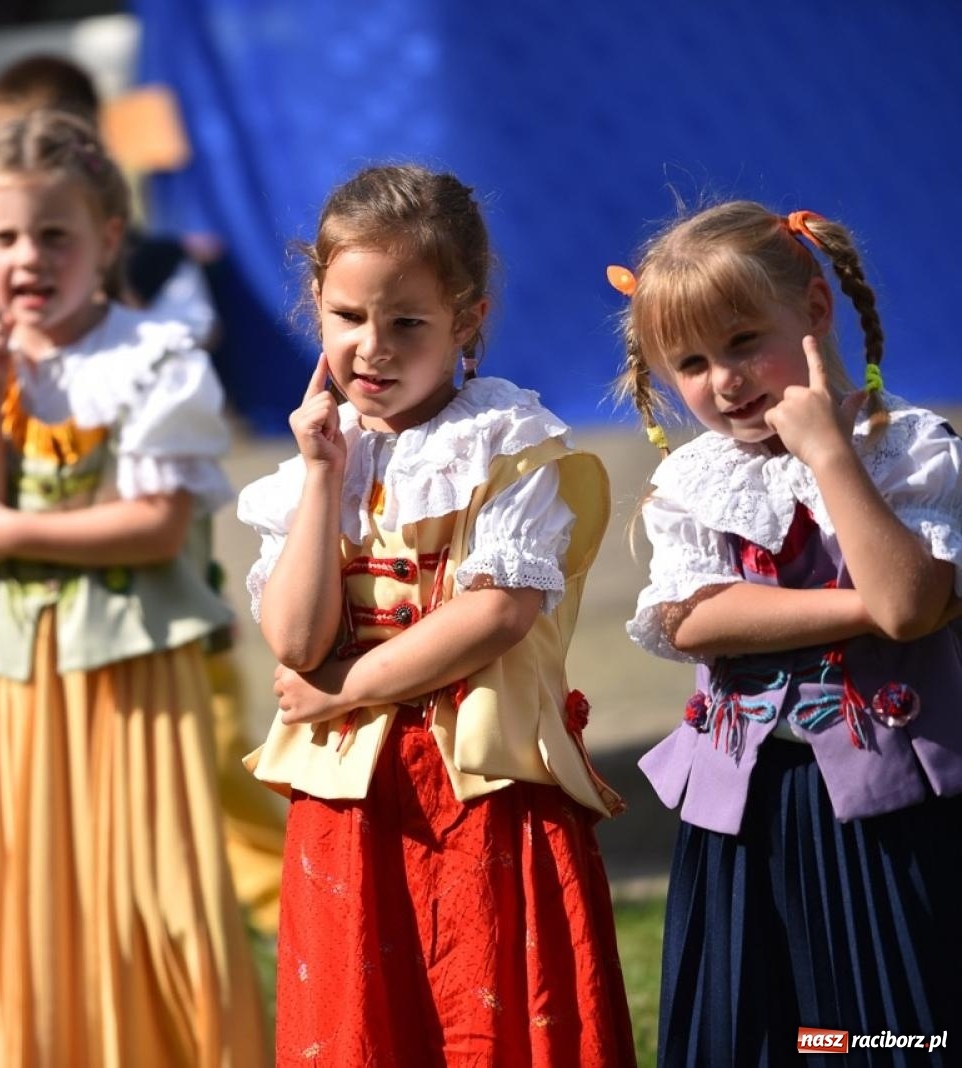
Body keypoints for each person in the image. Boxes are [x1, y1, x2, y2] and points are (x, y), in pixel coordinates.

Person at [239, 164, 635, 1066]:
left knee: (485, 1009)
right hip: (353, 805)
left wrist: (341, 691)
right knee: (367, 1021)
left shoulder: (510, 448)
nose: (372, 348)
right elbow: (295, 639)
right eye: (347, 318)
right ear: (316, 306)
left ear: (468, 321)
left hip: (482, 789)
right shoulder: (315, 468)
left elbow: (495, 613)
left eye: (406, 322)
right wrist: (320, 477)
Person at [0, 110, 267, 1066]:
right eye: (6, 237)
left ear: (107, 240)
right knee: (29, 887)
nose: (28, 257)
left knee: (158, 882)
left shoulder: (151, 357)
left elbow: (154, 528)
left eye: (54, 234)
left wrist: (13, 530)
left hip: (132, 670)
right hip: (9, 677)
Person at [612, 201, 962, 1064]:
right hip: (749, 812)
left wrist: (830, 457)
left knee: (889, 1022)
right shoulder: (692, 481)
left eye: (741, 341)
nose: (724, 381)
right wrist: (862, 607)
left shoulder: (907, 449)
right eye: (690, 362)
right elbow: (698, 621)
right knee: (765, 1025)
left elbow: (912, 605)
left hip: (890, 810)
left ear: (813, 310)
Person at [0, 51, 285, 936]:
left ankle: (268, 887)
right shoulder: (5, 312)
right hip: (55, 586)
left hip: (165, 573)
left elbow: (196, 334)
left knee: (207, 733)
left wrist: (112, 302)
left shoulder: (151, 268)